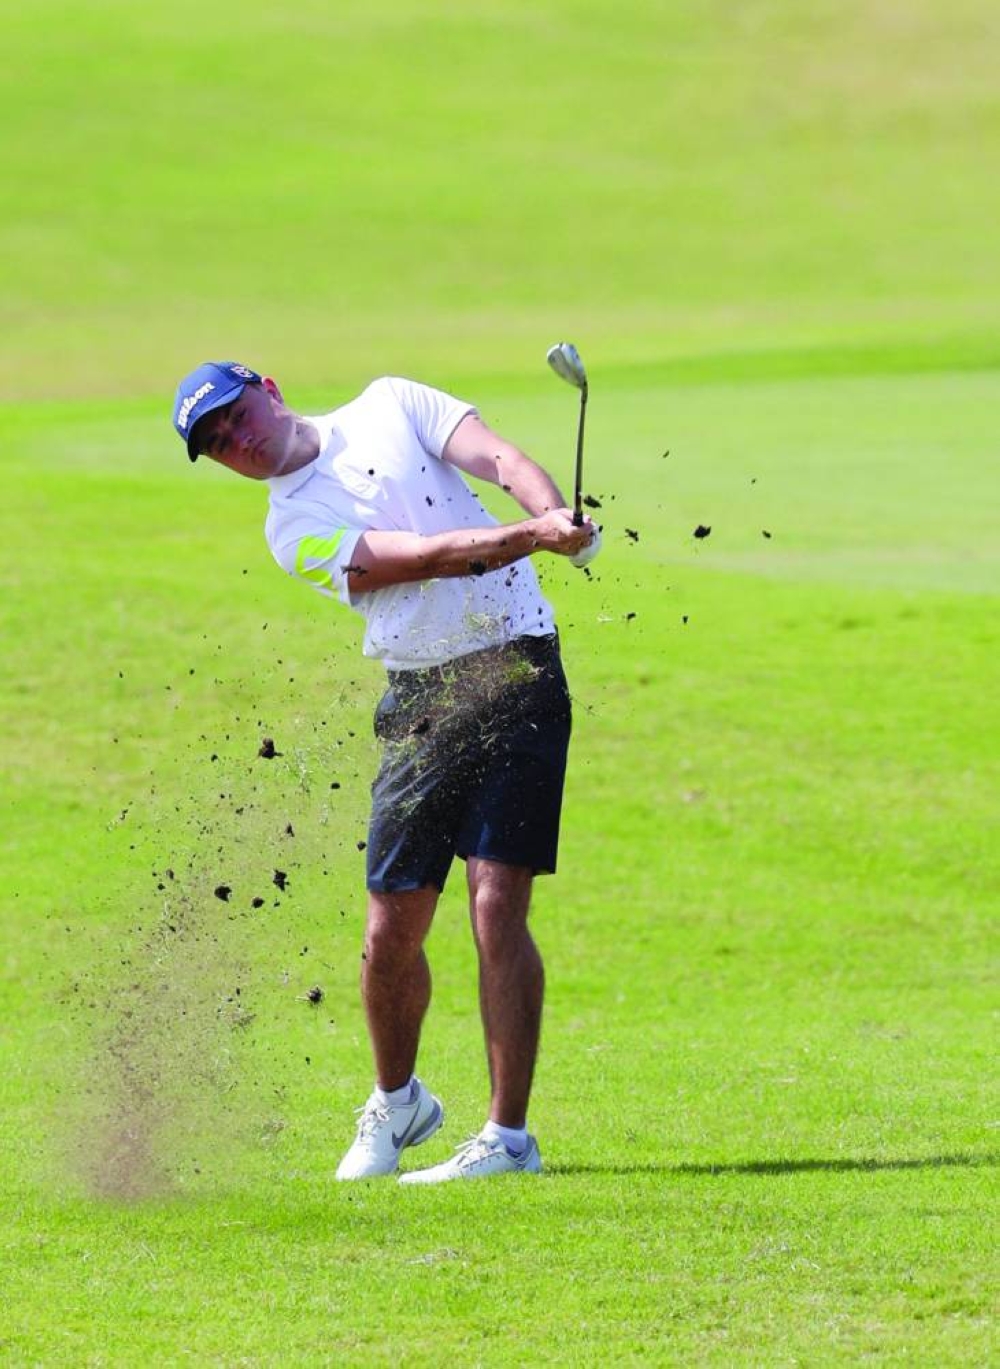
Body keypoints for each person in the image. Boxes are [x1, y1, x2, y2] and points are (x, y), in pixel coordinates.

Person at [171, 360, 600, 1183]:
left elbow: (499, 458)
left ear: (267, 388)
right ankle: (398, 1099)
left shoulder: (390, 402)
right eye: (218, 444)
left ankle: (509, 1139)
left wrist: (555, 514)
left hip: (517, 663)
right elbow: (428, 557)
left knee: (496, 904)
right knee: (389, 932)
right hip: (422, 698)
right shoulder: (292, 530)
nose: (238, 442)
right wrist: (533, 537)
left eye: (235, 416)